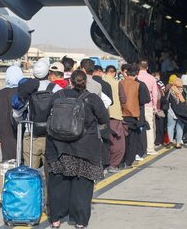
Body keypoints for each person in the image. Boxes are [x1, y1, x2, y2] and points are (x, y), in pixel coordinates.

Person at [46, 70, 109, 228]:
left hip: (59, 146)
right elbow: (103, 119)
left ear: (70, 81)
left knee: (58, 182)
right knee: (83, 184)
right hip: (85, 148)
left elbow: (47, 114)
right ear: (85, 83)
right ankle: (80, 221)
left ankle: (56, 219)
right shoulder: (92, 98)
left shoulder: (59, 95)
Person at [0, 65, 24, 160]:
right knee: (22, 158)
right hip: (20, 129)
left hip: (5, 131)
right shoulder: (22, 92)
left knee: (8, 160)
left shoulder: (0, 94)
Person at [103, 65, 127, 173]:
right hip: (115, 115)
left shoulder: (100, 81)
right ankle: (113, 164)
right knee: (118, 142)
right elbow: (123, 99)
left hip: (102, 115)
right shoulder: (117, 83)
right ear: (114, 73)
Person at [137, 60, 158, 155]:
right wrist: (155, 105)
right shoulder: (152, 78)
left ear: (139, 67)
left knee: (137, 126)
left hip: (137, 105)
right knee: (149, 127)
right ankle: (150, 148)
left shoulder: (136, 77)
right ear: (147, 67)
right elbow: (155, 94)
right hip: (148, 105)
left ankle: (139, 148)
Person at [166, 78, 186, 148]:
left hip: (171, 111)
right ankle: (178, 143)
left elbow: (166, 100)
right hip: (181, 112)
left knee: (170, 126)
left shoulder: (170, 90)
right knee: (180, 127)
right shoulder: (183, 91)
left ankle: (171, 140)